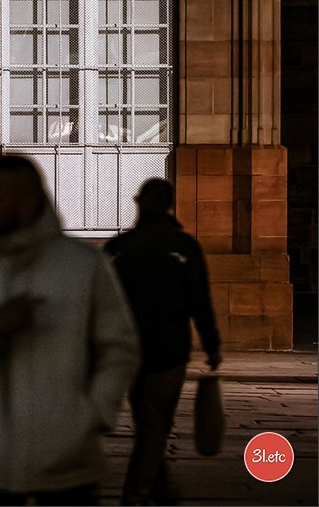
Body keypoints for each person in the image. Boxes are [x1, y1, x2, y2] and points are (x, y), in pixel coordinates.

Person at [0, 153, 140, 507]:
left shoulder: (83, 265)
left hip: (66, 462)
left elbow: (119, 347)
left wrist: (93, 415)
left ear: (25, 204)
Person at [104, 177, 222, 507]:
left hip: (128, 351)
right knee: (155, 426)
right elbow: (200, 299)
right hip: (170, 350)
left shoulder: (119, 248)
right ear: (170, 205)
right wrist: (212, 345)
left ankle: (160, 488)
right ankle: (137, 495)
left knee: (148, 422)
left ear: (139, 203)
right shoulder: (184, 248)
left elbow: (100, 303)